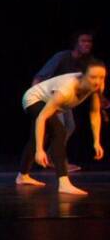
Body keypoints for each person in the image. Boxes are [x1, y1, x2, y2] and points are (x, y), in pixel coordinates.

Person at [16, 60, 105, 195]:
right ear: (82, 75)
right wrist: (40, 150)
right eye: (93, 77)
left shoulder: (97, 87)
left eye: (101, 77)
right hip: (33, 99)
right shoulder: (66, 89)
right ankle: (63, 183)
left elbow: (95, 112)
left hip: (48, 102)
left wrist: (96, 141)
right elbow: (42, 117)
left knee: (37, 139)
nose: (97, 82)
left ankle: (22, 176)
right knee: (59, 132)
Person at [32, 31, 95, 172]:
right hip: (51, 96)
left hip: (65, 99)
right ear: (76, 43)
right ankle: (59, 161)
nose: (87, 44)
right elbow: (40, 77)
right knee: (59, 129)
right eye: (83, 41)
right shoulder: (62, 57)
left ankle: (50, 157)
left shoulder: (87, 62)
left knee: (70, 127)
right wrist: (35, 101)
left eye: (89, 41)